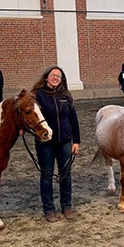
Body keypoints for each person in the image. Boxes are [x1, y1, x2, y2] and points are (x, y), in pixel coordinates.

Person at [31, 66, 80, 222]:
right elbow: (31, 117)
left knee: (65, 175)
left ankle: (66, 206)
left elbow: (73, 119)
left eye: (59, 76)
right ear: (46, 77)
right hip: (45, 142)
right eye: (53, 75)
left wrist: (76, 141)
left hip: (65, 141)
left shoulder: (66, 95)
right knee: (46, 175)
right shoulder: (38, 95)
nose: (56, 78)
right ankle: (49, 209)